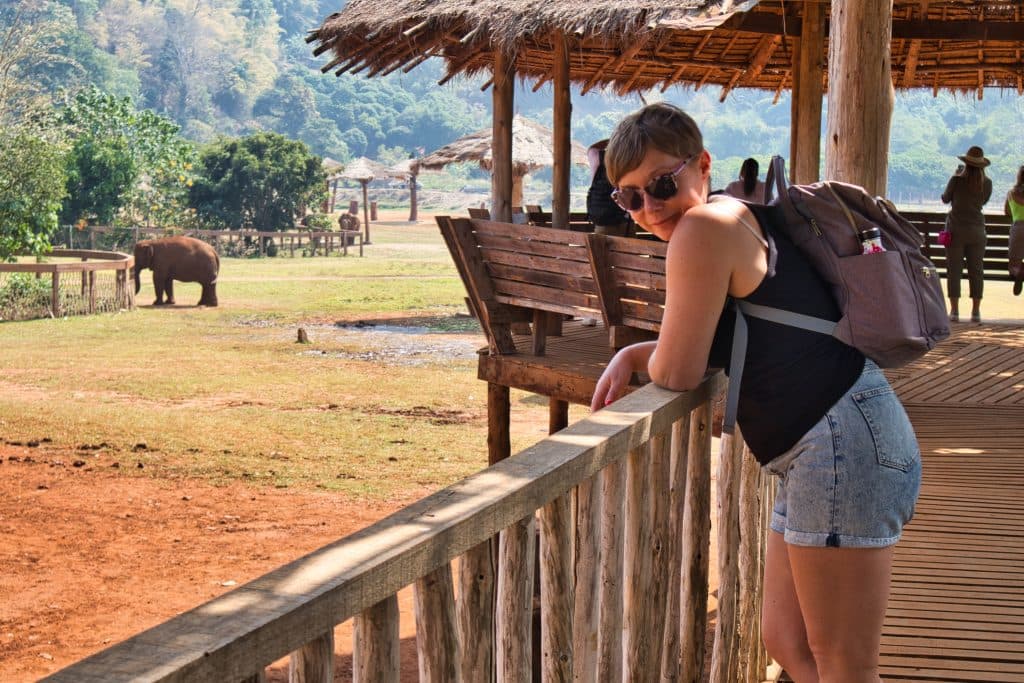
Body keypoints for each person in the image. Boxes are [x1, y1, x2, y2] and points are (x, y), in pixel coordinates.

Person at [590, 103, 920, 682]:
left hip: (838, 444)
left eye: (662, 183)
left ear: (703, 164)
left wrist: (649, 356)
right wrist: (631, 353)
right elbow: (716, 340)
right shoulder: (735, 213)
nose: (650, 205)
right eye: (630, 197)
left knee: (843, 662)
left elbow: (681, 370)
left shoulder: (700, 230)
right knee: (788, 640)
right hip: (830, 443)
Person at [941, 146, 992, 322]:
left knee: (954, 270)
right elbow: (983, 201)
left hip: (956, 231)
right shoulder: (987, 183)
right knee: (976, 271)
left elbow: (945, 198)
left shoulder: (956, 180)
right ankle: (976, 312)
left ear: (966, 163)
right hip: (977, 231)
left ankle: (954, 311)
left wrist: (955, 176)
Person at [586, 139, 634, 236]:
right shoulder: (628, 160)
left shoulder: (597, 157)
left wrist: (613, 139)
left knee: (602, 250)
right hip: (624, 219)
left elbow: (592, 148)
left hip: (603, 221)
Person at [1004, 165, 1024, 296]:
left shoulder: (1011, 193)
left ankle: (1019, 271)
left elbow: (1007, 211)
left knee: (1013, 266)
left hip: (1018, 229)